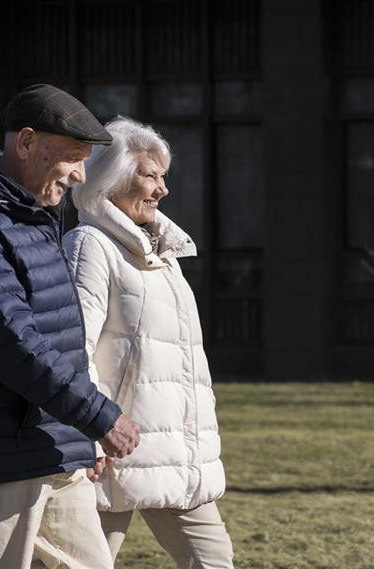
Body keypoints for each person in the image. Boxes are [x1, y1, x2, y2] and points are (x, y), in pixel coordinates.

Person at [0, 84, 142, 569]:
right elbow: (15, 344)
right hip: (0, 457)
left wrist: (80, 437)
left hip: (52, 445)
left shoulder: (30, 215)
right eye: (73, 158)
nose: (80, 176)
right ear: (26, 142)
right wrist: (99, 419)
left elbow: (61, 339)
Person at [62, 116, 234, 568]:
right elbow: (73, 350)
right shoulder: (90, 245)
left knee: (215, 561)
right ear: (113, 179)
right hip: (109, 454)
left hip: (176, 458)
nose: (163, 189)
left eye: (164, 177)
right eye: (151, 176)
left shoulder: (164, 256)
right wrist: (90, 436)